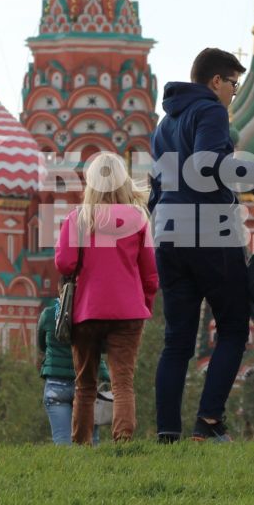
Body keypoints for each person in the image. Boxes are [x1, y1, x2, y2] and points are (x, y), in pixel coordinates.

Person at [149, 47, 254, 442]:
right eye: (233, 83)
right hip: (209, 230)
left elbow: (157, 185)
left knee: (177, 340)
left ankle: (167, 433)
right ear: (215, 81)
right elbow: (211, 165)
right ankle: (208, 422)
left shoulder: (165, 122)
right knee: (232, 326)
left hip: (169, 235)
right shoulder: (210, 111)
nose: (233, 92)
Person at [56, 152, 158, 445]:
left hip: (87, 310)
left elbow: (65, 264)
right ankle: (123, 440)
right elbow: (150, 273)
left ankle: (81, 443)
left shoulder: (79, 218)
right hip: (128, 312)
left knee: (85, 384)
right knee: (122, 382)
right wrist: (145, 305)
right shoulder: (138, 219)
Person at [37, 295, 111, 446]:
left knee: (62, 442)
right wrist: (105, 374)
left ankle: (66, 469)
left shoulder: (49, 314)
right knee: (90, 441)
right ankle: (94, 469)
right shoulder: (90, 314)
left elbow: (41, 345)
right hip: (85, 385)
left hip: (56, 385)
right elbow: (98, 350)